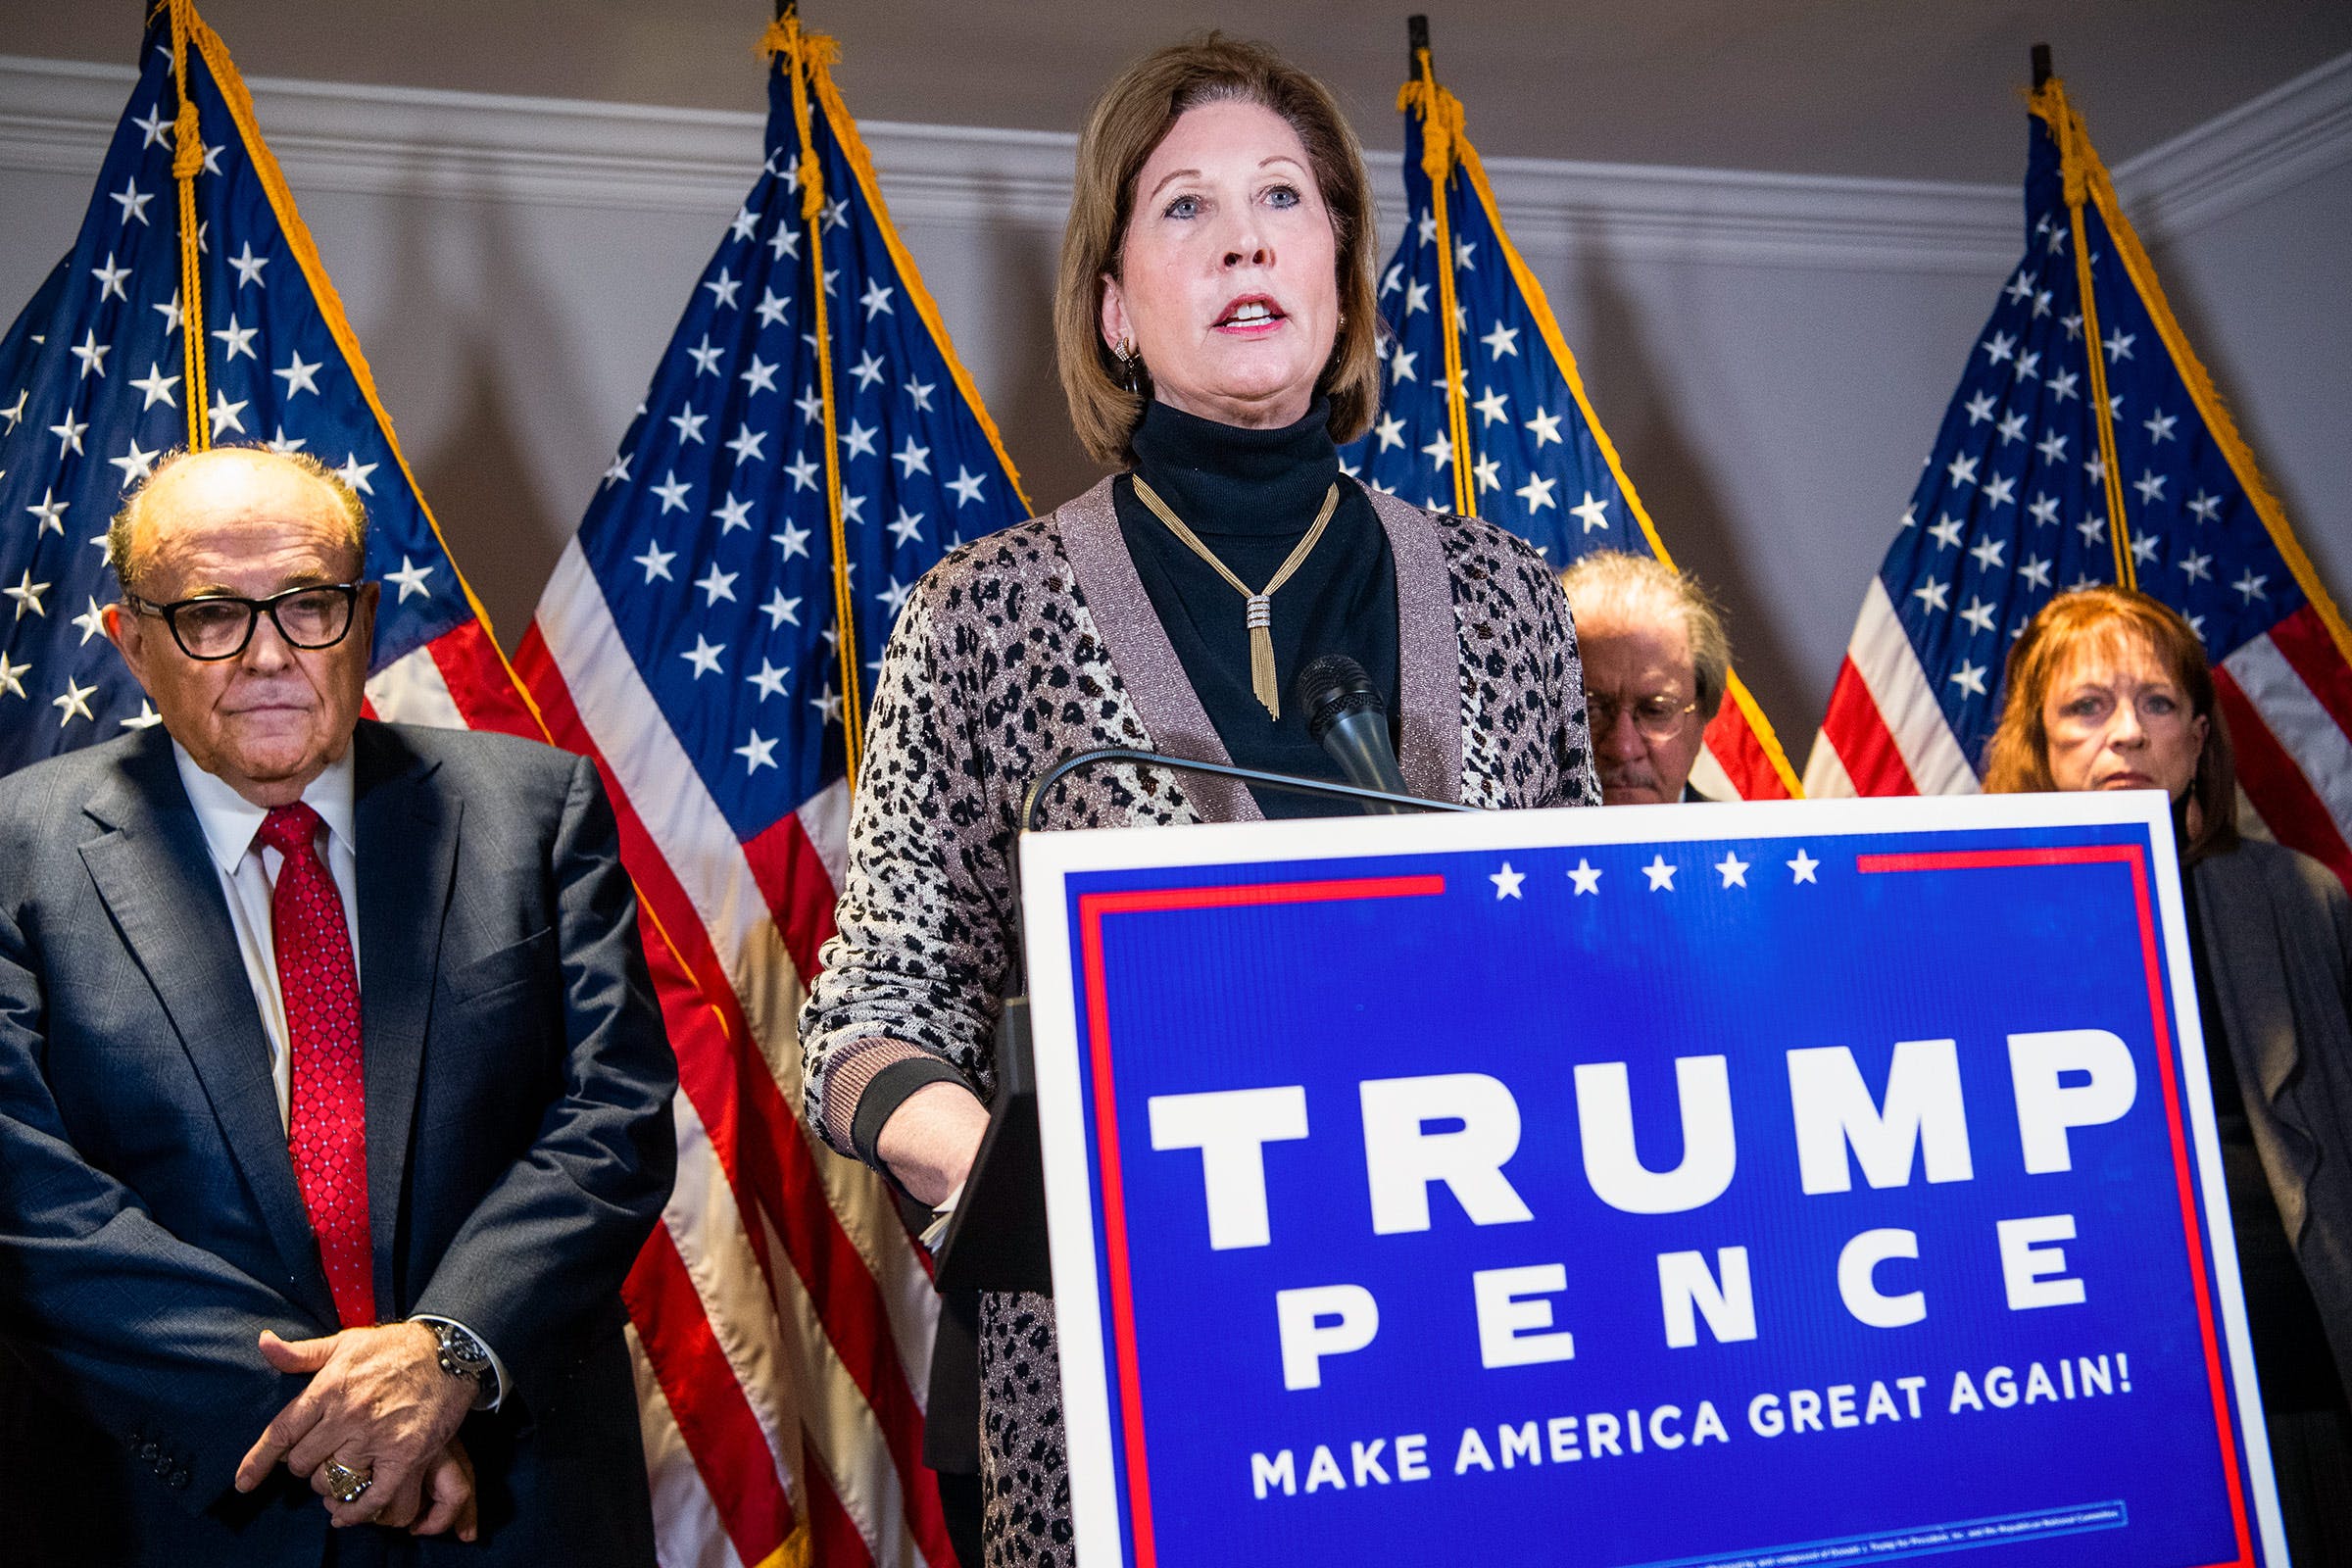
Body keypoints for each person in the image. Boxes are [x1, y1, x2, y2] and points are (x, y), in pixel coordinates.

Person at [799, 33, 1597, 1565]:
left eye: (1284, 198)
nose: (1243, 235)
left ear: (1343, 277)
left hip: (1486, 1340)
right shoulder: (981, 611)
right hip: (1142, 1382)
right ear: (1112, 305)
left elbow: (1570, 957)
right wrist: (1042, 1199)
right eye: (1183, 207)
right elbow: (869, 1021)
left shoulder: (1503, 601)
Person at [0, 446, 677, 1563]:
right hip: (179, 1507)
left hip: (513, 1499)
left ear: (363, 616)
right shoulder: (18, 853)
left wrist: (444, 1357)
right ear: (131, 644)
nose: (268, 656)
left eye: (308, 604)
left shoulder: (537, 808)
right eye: (211, 616)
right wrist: (343, 1429)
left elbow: (611, 1122)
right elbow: (31, 1201)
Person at [1984, 585, 2352, 1559]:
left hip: (2307, 1383)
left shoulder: (2302, 902)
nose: (2127, 735)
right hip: (2108, 1408)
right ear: (2038, 742)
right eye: (2087, 706)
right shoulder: (1974, 930)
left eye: (2155, 703)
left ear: (2197, 734)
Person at [1557, 549, 1730, 804]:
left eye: (1656, 710)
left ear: (1704, 714)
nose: (1622, 748)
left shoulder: (1755, 843)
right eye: (1589, 710)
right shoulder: (1491, 841)